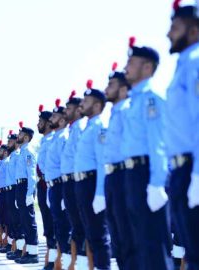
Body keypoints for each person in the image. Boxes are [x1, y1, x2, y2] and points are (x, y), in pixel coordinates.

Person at [121, 37, 173, 269]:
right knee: (136, 243)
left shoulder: (152, 99)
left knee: (153, 245)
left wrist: (157, 183)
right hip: (132, 175)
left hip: (146, 175)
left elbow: (158, 143)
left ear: (147, 67)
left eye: (131, 62)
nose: (126, 67)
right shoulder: (134, 101)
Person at [166, 2, 199, 269]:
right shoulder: (184, 64)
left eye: (175, 27)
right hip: (180, 170)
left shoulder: (196, 61)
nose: (168, 34)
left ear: (193, 31)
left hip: (192, 169)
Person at [97, 63, 136, 269]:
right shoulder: (113, 114)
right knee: (118, 238)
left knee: (128, 235)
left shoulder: (128, 111)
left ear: (122, 89)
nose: (106, 89)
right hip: (112, 178)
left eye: (110, 85)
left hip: (124, 176)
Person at [74, 80, 111, 270]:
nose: (82, 104)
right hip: (82, 184)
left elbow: (102, 161)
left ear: (97, 105)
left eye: (86, 101)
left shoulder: (99, 126)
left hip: (91, 182)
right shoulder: (87, 127)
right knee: (89, 232)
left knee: (98, 233)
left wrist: (100, 193)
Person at [60, 90, 88, 269]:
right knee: (75, 225)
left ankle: (84, 264)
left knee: (82, 225)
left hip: (78, 180)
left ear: (78, 110)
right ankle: (78, 263)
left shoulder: (81, 129)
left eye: (69, 108)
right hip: (69, 182)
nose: (65, 111)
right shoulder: (72, 130)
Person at [44, 99, 72, 269]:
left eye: (54, 116)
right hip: (53, 186)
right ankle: (58, 262)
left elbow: (65, 165)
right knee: (56, 227)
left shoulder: (64, 137)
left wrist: (63, 194)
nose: (51, 119)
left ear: (62, 120)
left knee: (64, 227)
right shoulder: (55, 138)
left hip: (62, 185)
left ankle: (67, 263)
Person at [14, 122, 39, 264]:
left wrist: (30, 193)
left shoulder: (28, 151)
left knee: (29, 221)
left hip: (25, 187)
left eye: (21, 134)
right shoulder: (22, 152)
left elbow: (31, 175)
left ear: (27, 137)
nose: (18, 135)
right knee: (24, 220)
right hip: (20, 186)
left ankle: (33, 253)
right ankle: (28, 251)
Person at [36, 105, 57, 269]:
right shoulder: (44, 141)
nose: (38, 124)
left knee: (56, 224)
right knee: (48, 224)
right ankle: (51, 258)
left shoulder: (53, 140)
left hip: (51, 183)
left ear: (49, 123)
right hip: (43, 184)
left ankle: (57, 260)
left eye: (40, 121)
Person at [3, 130, 21, 256]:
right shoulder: (12, 156)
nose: (8, 143)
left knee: (17, 220)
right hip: (8, 189)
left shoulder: (19, 154)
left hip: (15, 188)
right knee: (11, 220)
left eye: (10, 141)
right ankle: (13, 246)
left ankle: (19, 248)